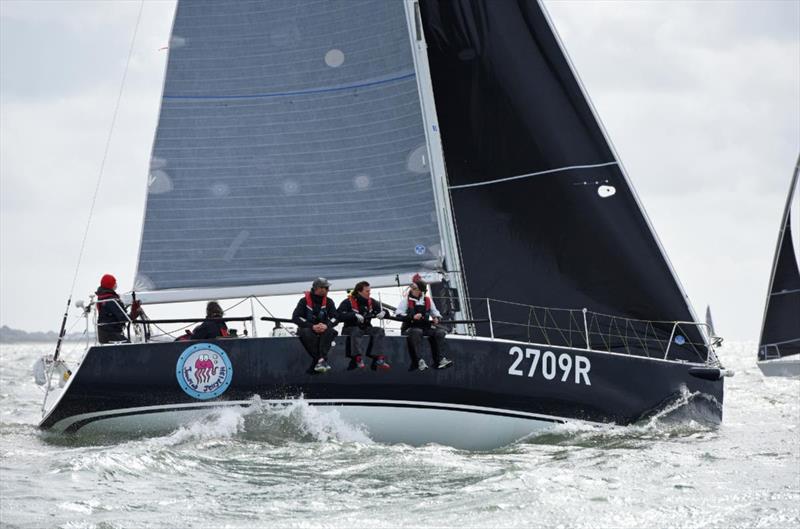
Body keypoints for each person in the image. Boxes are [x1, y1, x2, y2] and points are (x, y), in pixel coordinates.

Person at [395, 276, 453, 370]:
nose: (412, 290)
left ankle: (440, 360)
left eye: (415, 288)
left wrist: (436, 318)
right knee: (417, 332)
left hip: (425, 327)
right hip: (410, 328)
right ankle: (419, 361)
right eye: (412, 288)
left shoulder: (427, 301)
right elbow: (398, 314)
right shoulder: (405, 301)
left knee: (440, 332)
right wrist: (412, 317)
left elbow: (435, 312)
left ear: (421, 291)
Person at [337, 281, 390, 370]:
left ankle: (379, 358)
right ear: (359, 291)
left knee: (379, 330)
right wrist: (353, 315)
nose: (369, 293)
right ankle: (357, 358)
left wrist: (384, 312)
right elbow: (339, 315)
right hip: (349, 328)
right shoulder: (347, 302)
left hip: (365, 328)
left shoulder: (372, 302)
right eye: (367, 291)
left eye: (369, 291)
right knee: (356, 330)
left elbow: (384, 311)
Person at [292, 277, 338, 373]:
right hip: (307, 328)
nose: (328, 290)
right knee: (306, 332)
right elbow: (296, 317)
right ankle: (321, 360)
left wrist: (326, 326)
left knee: (331, 331)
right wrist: (312, 326)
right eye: (326, 288)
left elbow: (335, 318)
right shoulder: (303, 301)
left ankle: (320, 361)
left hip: (323, 328)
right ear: (318, 288)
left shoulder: (329, 302)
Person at [95, 274, 130, 344]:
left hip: (103, 334)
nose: (116, 284)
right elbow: (123, 318)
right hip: (111, 334)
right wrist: (135, 312)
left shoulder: (102, 297)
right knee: (130, 345)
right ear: (110, 285)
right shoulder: (111, 300)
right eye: (114, 282)